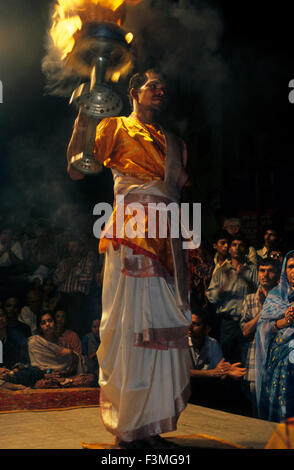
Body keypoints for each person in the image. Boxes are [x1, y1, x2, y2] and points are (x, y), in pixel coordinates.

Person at [67, 69, 192, 449]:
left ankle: (150, 425)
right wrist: (85, 115)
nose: (160, 90)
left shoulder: (173, 141)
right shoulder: (115, 127)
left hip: (167, 234)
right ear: (133, 91)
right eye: (152, 85)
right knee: (131, 325)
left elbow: (175, 191)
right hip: (132, 230)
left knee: (161, 327)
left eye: (163, 87)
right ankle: (128, 426)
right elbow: (76, 168)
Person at [206, 234, 258, 363]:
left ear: (245, 249)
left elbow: (260, 291)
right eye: (234, 245)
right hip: (228, 323)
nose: (237, 248)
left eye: (241, 245)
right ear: (229, 249)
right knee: (227, 360)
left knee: (247, 359)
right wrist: (222, 289)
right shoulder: (222, 271)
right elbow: (211, 297)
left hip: (247, 322)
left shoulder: (252, 269)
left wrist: (244, 277)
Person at [255, 251, 294, 422]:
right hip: (279, 358)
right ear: (285, 270)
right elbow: (262, 328)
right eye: (291, 266)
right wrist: (284, 321)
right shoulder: (275, 296)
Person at [240, 259, 280, 416]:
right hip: (254, 357)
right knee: (255, 402)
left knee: (275, 404)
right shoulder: (250, 299)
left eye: (270, 271)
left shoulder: (284, 298)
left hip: (277, 357)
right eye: (262, 270)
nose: (266, 275)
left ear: (277, 274)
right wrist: (263, 311)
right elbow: (245, 331)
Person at [189, 311, 246, 411]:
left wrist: (226, 372)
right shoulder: (180, 343)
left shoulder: (212, 343)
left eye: (196, 324)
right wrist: (211, 373)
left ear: (207, 329)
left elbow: (218, 372)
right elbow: (182, 372)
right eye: (189, 323)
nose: (190, 327)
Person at [53, 237, 97, 337]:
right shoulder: (65, 262)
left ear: (81, 248)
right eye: (69, 246)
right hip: (64, 297)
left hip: (78, 299)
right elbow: (56, 280)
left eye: (74, 246)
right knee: (61, 326)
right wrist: (65, 270)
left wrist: (75, 268)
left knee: (76, 327)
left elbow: (87, 279)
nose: (71, 249)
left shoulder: (87, 261)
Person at [28, 311, 83, 376]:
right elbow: (36, 367)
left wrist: (71, 352)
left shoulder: (62, 341)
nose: (47, 324)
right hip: (41, 378)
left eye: (50, 321)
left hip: (64, 377)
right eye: (43, 323)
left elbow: (76, 361)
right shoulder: (35, 342)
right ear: (40, 328)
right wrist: (49, 372)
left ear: (55, 323)